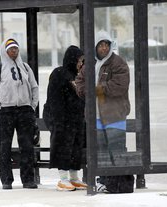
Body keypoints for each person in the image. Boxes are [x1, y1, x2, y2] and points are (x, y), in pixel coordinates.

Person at [75, 31, 134, 193]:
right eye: (101, 45)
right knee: (100, 151)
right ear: (95, 47)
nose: (104, 48)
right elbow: (79, 81)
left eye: (106, 45)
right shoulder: (90, 64)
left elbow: (120, 85)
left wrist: (98, 89)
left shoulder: (118, 63)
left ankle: (119, 183)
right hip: (96, 117)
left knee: (116, 150)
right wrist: (86, 90)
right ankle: (104, 181)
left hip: (115, 116)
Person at [0, 38, 39, 190]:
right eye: (11, 49)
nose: (14, 51)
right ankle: (6, 180)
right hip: (6, 112)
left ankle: (28, 180)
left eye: (16, 49)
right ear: (5, 51)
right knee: (4, 148)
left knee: (27, 147)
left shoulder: (25, 67)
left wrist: (32, 106)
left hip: (24, 111)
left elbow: (34, 88)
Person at [44, 45, 87, 191]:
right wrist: (58, 120)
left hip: (76, 119)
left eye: (83, 61)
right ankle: (63, 179)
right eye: (79, 60)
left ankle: (74, 178)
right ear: (72, 59)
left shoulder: (79, 75)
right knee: (63, 147)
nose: (81, 63)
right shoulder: (59, 73)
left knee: (75, 148)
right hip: (62, 119)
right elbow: (53, 98)